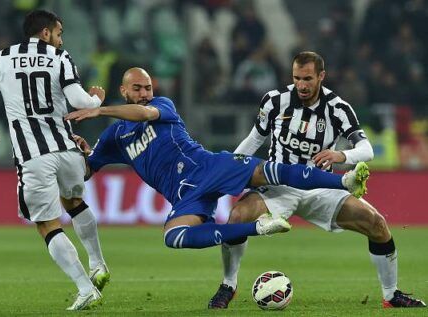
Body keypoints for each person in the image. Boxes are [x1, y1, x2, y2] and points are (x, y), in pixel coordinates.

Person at [66, 67, 368, 253]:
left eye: (147, 87)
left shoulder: (161, 105)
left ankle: (343, 180)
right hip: (183, 195)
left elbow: (144, 114)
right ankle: (260, 228)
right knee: (174, 236)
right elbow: (87, 171)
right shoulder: (115, 137)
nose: (145, 93)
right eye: (137, 88)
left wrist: (100, 109)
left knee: (269, 171)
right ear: (123, 90)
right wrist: (80, 152)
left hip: (206, 167)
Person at [207, 51, 425, 309]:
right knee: (237, 217)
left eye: (307, 78)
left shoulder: (338, 108)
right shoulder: (275, 101)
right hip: (277, 186)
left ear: (321, 76)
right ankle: (228, 285)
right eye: (296, 78)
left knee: (377, 224)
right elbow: (255, 139)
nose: (301, 85)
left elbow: (366, 149)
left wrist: (340, 154)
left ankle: (391, 295)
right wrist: (229, 169)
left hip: (320, 188)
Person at [0, 10, 110, 310]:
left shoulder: (0, 58)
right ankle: (98, 263)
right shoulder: (60, 58)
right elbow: (79, 101)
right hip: (67, 149)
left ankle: (86, 288)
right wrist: (97, 99)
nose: (61, 40)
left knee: (47, 225)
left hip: (33, 156)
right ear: (45, 33)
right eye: (59, 33)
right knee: (75, 204)